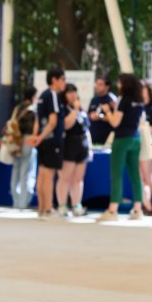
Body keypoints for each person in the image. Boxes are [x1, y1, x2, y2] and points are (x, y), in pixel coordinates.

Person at [96, 74, 145, 222]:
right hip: (136, 138)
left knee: (116, 175)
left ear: (126, 84)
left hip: (122, 139)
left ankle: (112, 210)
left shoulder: (123, 99)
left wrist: (107, 111)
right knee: (135, 175)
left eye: (120, 82)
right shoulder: (139, 100)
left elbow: (115, 122)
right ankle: (138, 209)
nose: (118, 84)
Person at [29, 69, 68, 219]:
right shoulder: (52, 95)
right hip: (51, 141)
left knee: (42, 173)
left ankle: (42, 208)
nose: (64, 83)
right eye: (62, 79)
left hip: (44, 141)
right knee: (48, 174)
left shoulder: (42, 95)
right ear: (54, 79)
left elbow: (38, 120)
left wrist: (37, 136)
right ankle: (47, 208)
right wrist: (40, 137)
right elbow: (52, 122)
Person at [57, 84, 89, 217]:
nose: (73, 95)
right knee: (65, 177)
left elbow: (87, 129)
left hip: (83, 144)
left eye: (74, 92)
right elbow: (65, 125)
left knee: (78, 178)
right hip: (69, 143)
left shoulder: (81, 110)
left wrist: (90, 148)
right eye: (69, 93)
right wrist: (75, 110)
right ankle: (62, 205)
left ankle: (77, 205)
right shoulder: (63, 109)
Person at [6, 87, 38, 210]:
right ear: (34, 96)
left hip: (15, 141)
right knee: (26, 171)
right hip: (27, 141)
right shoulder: (33, 110)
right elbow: (33, 127)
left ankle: (16, 201)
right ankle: (23, 202)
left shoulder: (17, 108)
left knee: (16, 170)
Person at [138, 79, 152, 215]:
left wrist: (146, 127)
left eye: (143, 89)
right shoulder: (137, 106)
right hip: (138, 143)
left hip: (150, 145)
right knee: (142, 176)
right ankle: (144, 204)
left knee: (147, 176)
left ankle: (148, 205)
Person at [88, 76, 117, 146]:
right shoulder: (94, 99)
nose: (97, 86)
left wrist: (100, 117)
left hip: (107, 139)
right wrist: (91, 115)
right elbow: (89, 114)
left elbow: (115, 120)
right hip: (93, 137)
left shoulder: (112, 100)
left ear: (107, 86)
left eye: (100, 84)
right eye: (96, 84)